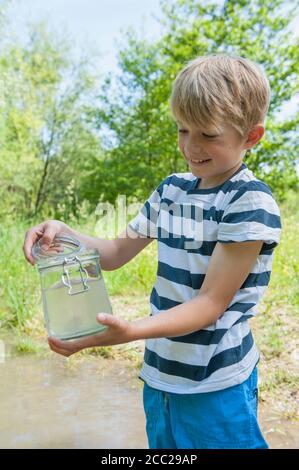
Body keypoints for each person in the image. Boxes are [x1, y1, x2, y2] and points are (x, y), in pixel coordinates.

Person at [23, 54, 281, 449]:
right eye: (182, 129)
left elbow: (210, 303)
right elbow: (112, 253)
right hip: (160, 375)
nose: (190, 146)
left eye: (208, 134)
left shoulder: (248, 202)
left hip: (214, 382)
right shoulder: (171, 191)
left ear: (251, 136)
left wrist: (128, 331)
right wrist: (66, 233)